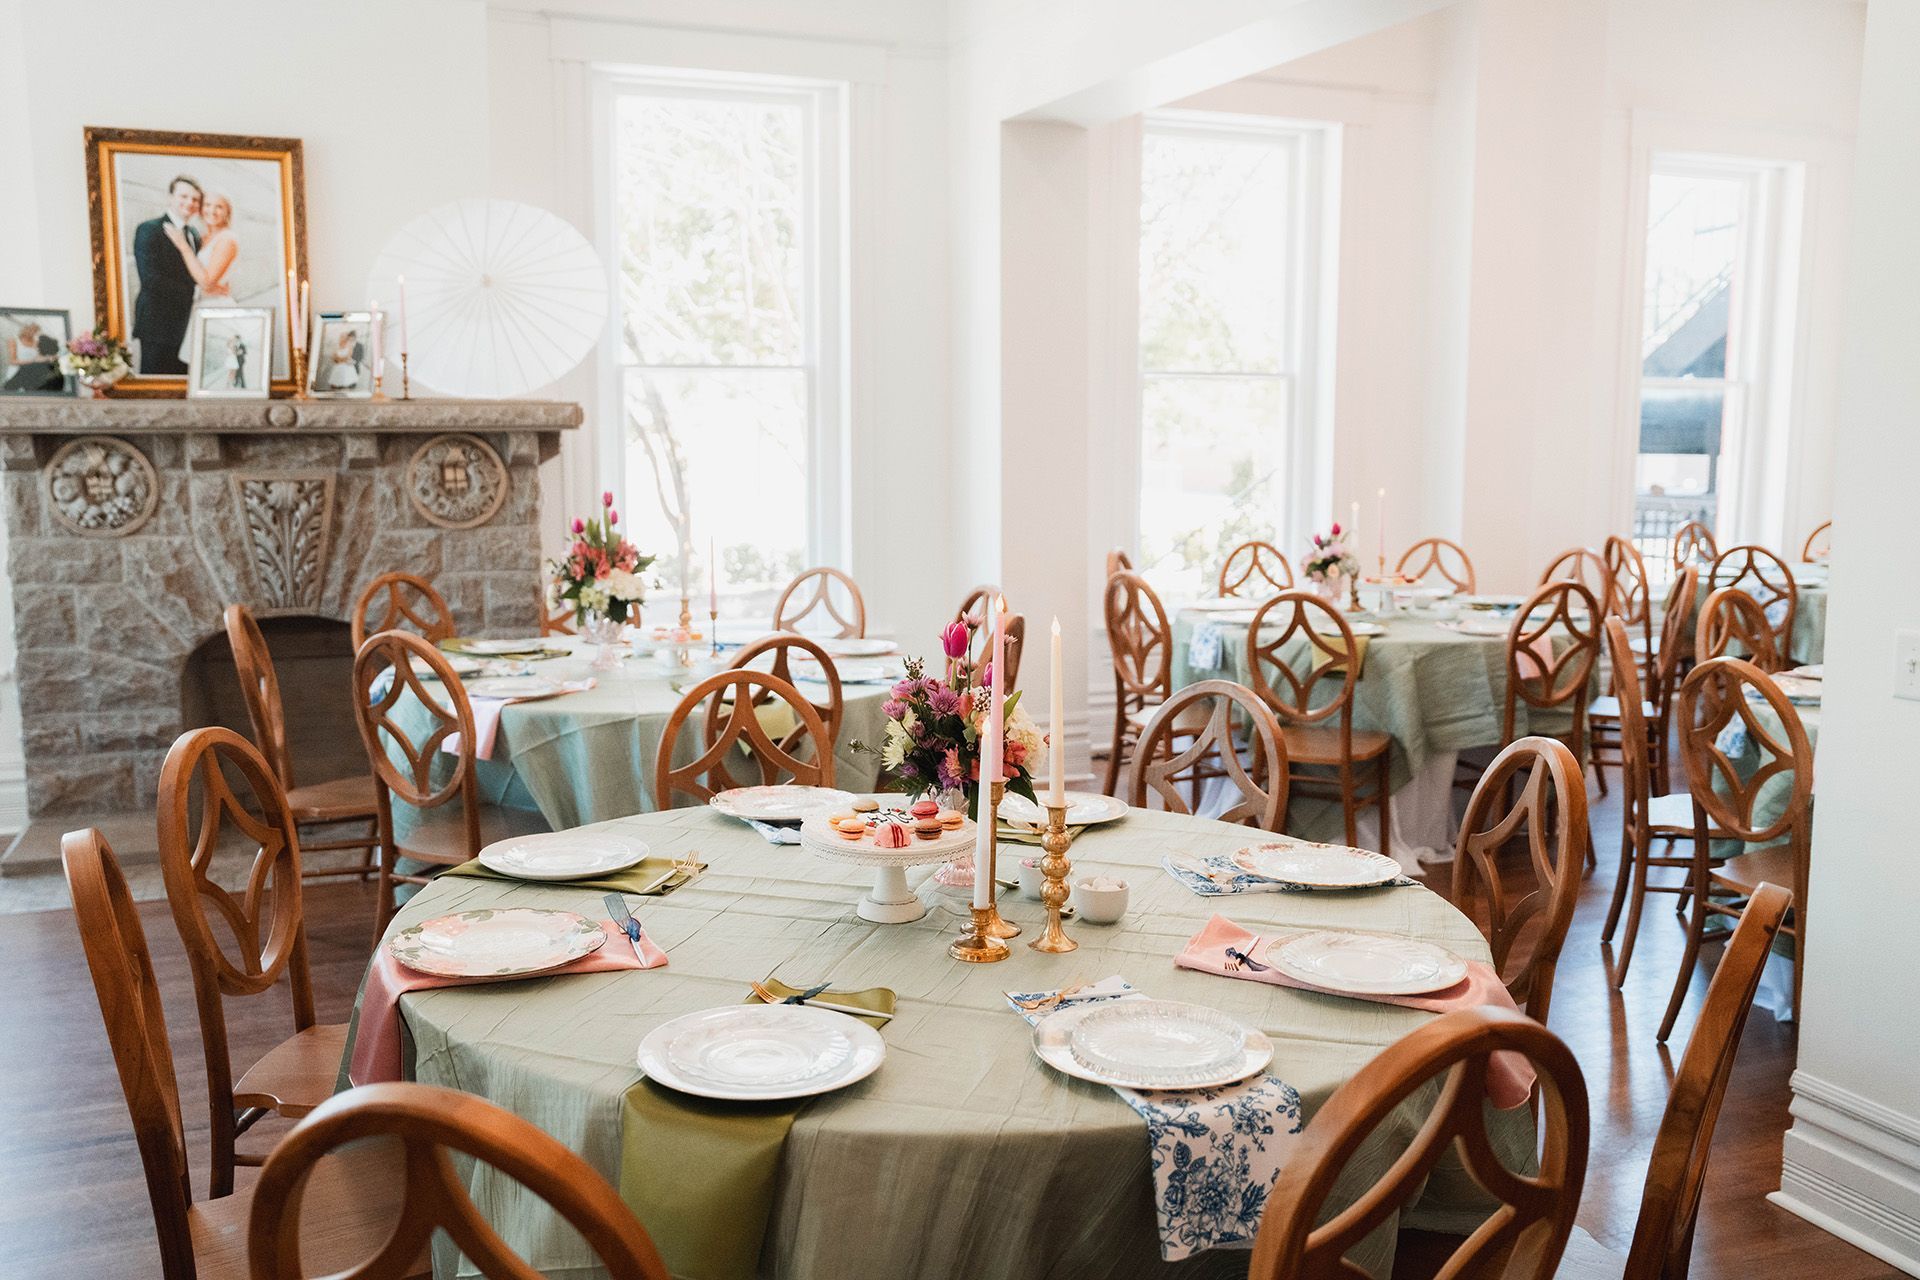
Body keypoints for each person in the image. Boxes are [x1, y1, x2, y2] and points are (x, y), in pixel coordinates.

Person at [130, 176, 203, 375]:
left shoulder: (195, 234)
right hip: (158, 325)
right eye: (184, 196)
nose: (190, 203)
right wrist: (193, 292)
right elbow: (150, 279)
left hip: (186, 326)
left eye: (195, 199)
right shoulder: (149, 229)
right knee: (157, 387)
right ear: (170, 197)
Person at [167, 191, 239, 366]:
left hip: (217, 309)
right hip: (201, 306)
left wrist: (183, 246)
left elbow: (207, 281)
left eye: (219, 206)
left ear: (227, 212)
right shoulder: (204, 237)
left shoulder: (227, 239)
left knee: (215, 366)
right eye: (207, 205)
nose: (212, 210)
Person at [2, 320, 63, 393]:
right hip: (20, 371)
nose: (34, 333)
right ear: (26, 329)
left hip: (33, 371)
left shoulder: (37, 342)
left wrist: (50, 358)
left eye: (36, 331)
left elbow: (46, 348)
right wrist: (33, 361)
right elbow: (12, 361)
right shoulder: (13, 340)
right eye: (33, 330)